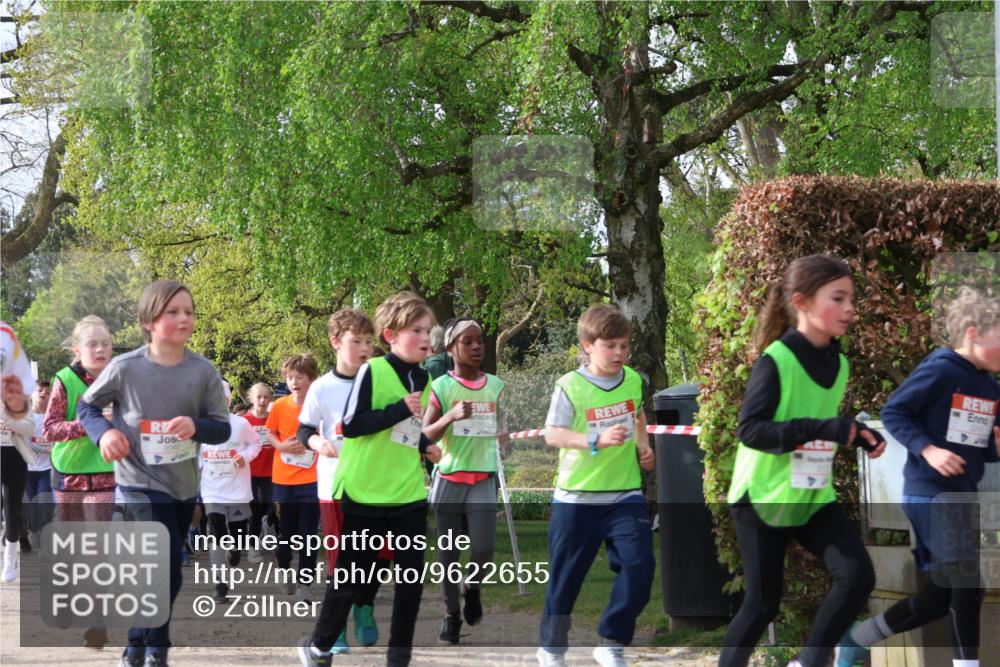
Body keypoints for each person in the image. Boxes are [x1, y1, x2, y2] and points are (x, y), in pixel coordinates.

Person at [718, 255, 886, 667]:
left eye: (852, 298)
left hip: (811, 495)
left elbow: (823, 423)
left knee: (857, 575)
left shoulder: (840, 362)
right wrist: (820, 428)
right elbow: (751, 431)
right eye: (839, 298)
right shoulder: (777, 359)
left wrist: (856, 433)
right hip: (761, 496)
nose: (851, 308)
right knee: (762, 605)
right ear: (803, 302)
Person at [835, 286, 1000, 667]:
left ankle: (858, 639)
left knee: (937, 599)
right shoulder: (942, 369)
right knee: (967, 581)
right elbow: (895, 412)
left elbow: (981, 447)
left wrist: (995, 447)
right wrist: (929, 449)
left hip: (960, 497)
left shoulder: (990, 387)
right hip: (928, 492)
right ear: (972, 332)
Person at [78, 280, 231, 667]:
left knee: (169, 572)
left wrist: (196, 426)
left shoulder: (203, 371)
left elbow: (222, 427)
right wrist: (105, 433)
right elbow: (87, 409)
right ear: (149, 321)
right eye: (173, 312)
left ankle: (134, 643)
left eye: (189, 312)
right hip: (137, 482)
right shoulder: (125, 367)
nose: (184, 318)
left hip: (183, 485)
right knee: (161, 562)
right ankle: (156, 653)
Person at [299, 291, 441, 667]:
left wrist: (425, 445)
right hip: (363, 492)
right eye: (417, 330)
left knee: (411, 580)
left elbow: (408, 430)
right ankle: (319, 644)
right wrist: (398, 410)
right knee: (348, 579)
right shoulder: (371, 371)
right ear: (391, 335)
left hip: (407, 491)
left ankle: (398, 658)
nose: (427, 338)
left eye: (429, 330)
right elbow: (353, 426)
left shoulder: (423, 377)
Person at [536, 304, 656, 667]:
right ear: (588, 345)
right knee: (565, 580)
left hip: (625, 495)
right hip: (576, 500)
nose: (619, 353)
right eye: (611, 345)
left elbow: (637, 413)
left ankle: (612, 640)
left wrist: (643, 445)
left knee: (640, 567)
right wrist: (595, 440)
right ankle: (552, 649)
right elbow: (552, 434)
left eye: (624, 346)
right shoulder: (570, 386)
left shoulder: (633, 379)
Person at [297, 308, 381, 653]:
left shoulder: (380, 379)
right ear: (336, 342)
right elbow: (304, 430)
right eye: (356, 341)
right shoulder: (321, 388)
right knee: (341, 558)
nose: (364, 348)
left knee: (377, 555)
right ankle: (338, 628)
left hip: (377, 483)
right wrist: (319, 443)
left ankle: (364, 606)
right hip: (334, 484)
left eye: (369, 341)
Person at [423, 317, 509, 644]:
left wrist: (503, 436)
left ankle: (471, 587)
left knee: (484, 549)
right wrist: (450, 416)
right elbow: (426, 434)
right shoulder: (441, 387)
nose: (476, 347)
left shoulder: (496, 385)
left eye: (480, 341)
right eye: (468, 342)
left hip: (483, 476)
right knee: (447, 554)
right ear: (451, 348)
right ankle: (450, 615)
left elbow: (501, 426)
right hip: (449, 476)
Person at [44, 316, 116, 524]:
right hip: (69, 470)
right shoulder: (65, 379)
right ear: (77, 349)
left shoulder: (120, 378)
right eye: (92, 344)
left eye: (105, 343)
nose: (100, 349)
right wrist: (90, 423)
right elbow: (50, 430)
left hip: (105, 469)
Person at [200, 380, 261, 602]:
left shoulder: (241, 424)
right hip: (212, 490)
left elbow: (256, 445)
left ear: (228, 400)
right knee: (216, 535)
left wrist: (243, 457)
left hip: (237, 490)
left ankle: (235, 548)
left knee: (237, 535)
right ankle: (220, 584)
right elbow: (196, 454)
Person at [267, 354, 320, 600]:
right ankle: (285, 568)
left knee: (308, 533)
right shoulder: (279, 406)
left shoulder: (320, 405)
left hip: (313, 478)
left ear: (311, 378)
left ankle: (305, 584)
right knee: (286, 532)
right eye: (290, 377)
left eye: (299, 377)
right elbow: (271, 434)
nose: (294, 382)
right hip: (284, 479)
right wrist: (281, 447)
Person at [1, 321, 36, 583]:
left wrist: (9, 422)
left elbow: (30, 426)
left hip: (13, 454)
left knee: (13, 509)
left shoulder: (18, 391)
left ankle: (10, 561)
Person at [244, 381, 277, 563]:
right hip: (250, 471)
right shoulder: (245, 421)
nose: (262, 401)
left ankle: (268, 524)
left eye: (266, 397)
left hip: (272, 470)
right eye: (259, 397)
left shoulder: (273, 418)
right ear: (251, 399)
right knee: (255, 509)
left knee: (272, 507)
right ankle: (253, 547)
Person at [26, 380, 53, 548]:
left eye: (47, 392)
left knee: (44, 501)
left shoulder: (53, 417)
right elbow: (23, 442)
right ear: (31, 395)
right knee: (31, 503)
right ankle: (31, 530)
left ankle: (45, 534)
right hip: (27, 469)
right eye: (40, 390)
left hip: (47, 468)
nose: (44, 393)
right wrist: (45, 449)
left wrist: (55, 448)